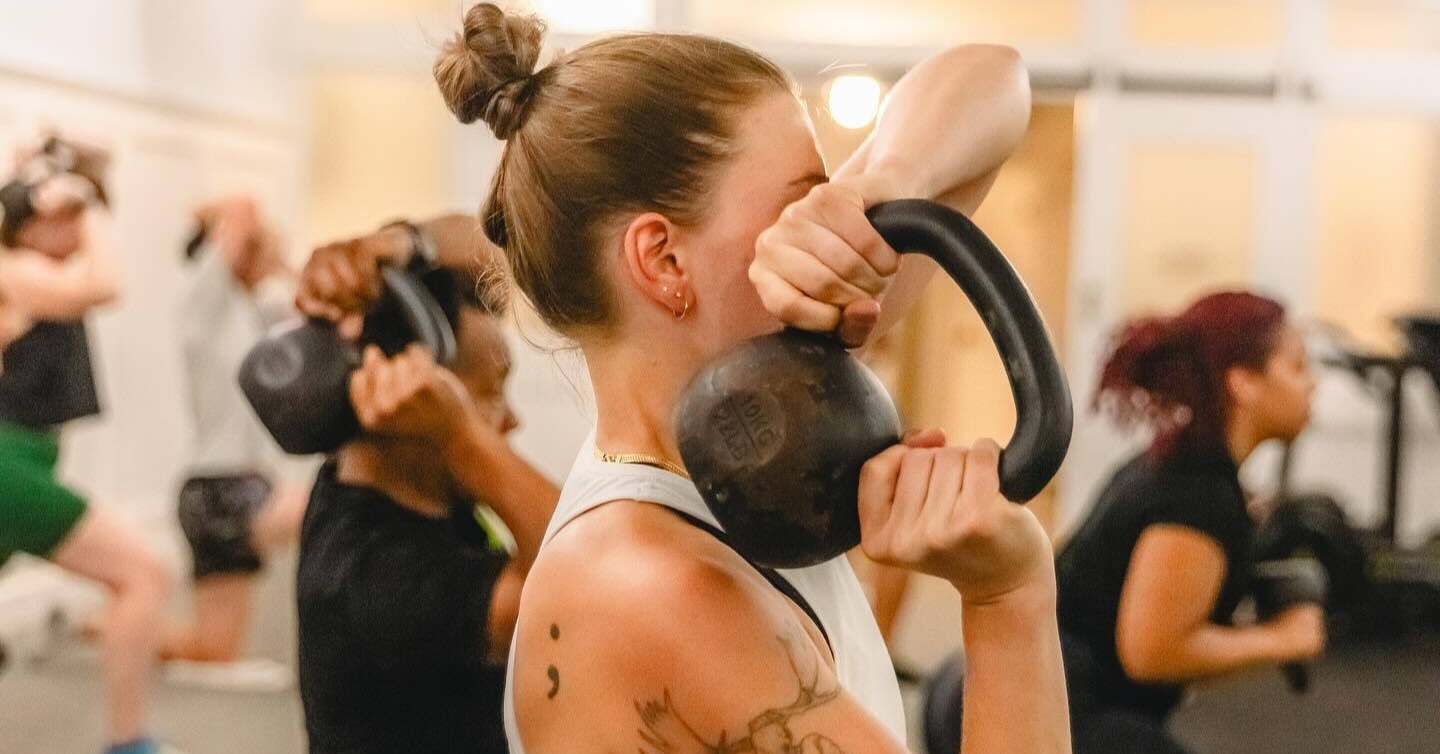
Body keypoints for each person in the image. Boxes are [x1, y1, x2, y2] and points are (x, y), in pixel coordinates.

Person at [365, 5, 1063, 752]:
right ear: (665, 262)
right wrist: (1006, 602)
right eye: (798, 204)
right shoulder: (648, 587)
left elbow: (993, 78)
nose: (825, 230)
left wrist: (878, 183)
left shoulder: (751, 402)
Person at [294, 217, 558, 754]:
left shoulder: (362, 480)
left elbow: (486, 245)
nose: (511, 422)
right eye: (490, 394)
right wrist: (461, 436)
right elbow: (586, 573)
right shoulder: (378, 584)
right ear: (410, 409)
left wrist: (399, 246)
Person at [1052, 291, 1323, 753]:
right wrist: (1285, 638)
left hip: (1006, 692)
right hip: (1063, 722)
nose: (1311, 385)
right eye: (1297, 367)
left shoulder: (1178, 468)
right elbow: (1153, 653)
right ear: (1243, 383)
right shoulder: (1198, 497)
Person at [0, 140, 181, 754]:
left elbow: (99, 160)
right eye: (67, 220)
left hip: (24, 459)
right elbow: (105, 284)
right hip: (7, 466)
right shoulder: (13, 270)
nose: (81, 227)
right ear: (31, 222)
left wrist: (64, 168)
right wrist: (87, 209)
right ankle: (127, 743)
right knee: (143, 574)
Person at [159, 195, 307, 687]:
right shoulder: (204, 300)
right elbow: (242, 204)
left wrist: (281, 262)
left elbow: (311, 303)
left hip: (235, 487)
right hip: (219, 491)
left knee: (214, 651)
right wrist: (212, 218)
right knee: (339, 508)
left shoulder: (248, 310)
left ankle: (105, 626)